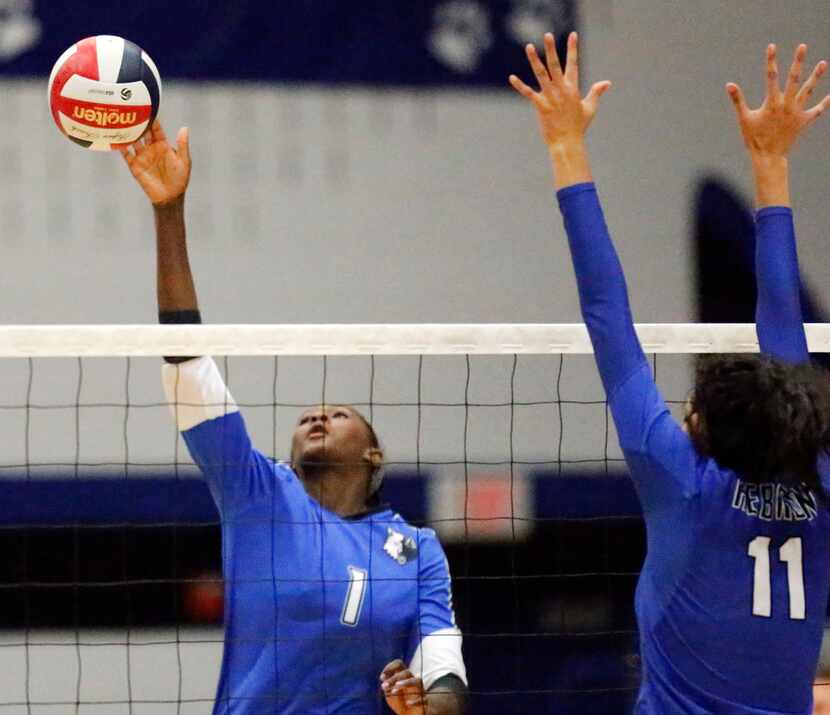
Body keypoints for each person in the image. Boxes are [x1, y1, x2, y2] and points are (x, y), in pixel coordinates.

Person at [511, 33, 830, 713]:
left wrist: (566, 146)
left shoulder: (682, 486)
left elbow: (606, 310)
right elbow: (783, 330)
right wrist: (771, 161)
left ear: (702, 434)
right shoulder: (819, 476)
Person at [119, 121, 468, 714]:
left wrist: (426, 709)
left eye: (339, 413)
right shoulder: (259, 492)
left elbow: (447, 675)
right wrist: (169, 210)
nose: (318, 414)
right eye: (310, 413)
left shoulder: (416, 549)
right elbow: (189, 366)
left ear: (373, 454)